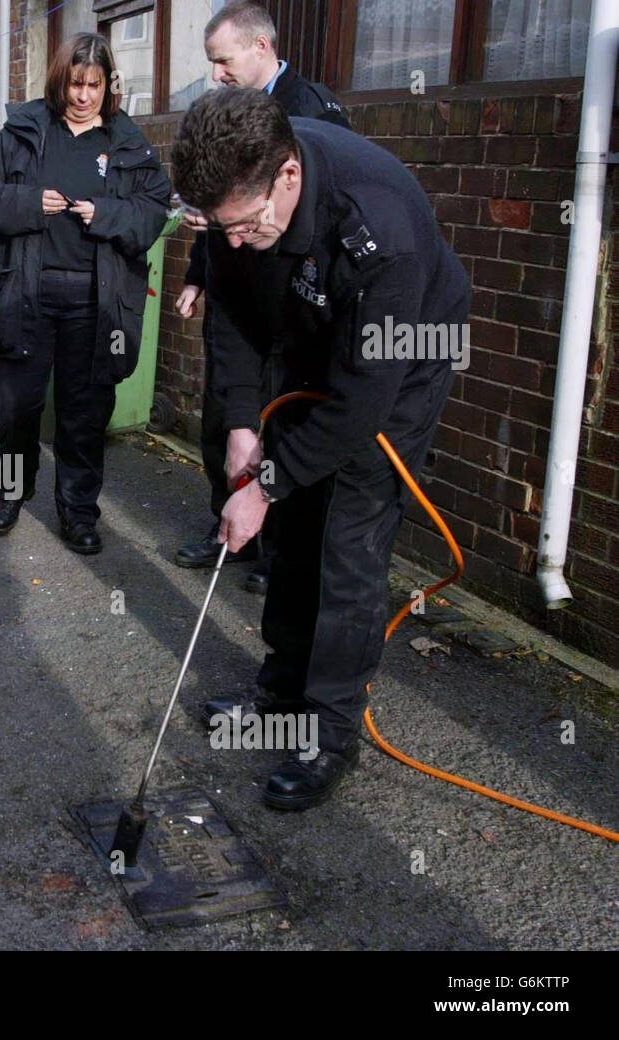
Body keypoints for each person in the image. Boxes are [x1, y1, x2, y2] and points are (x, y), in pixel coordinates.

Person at [170, 88, 470, 809]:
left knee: (349, 544)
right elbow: (233, 314)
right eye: (220, 227)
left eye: (243, 226)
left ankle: (330, 731)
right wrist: (244, 422)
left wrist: (262, 486)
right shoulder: (234, 198)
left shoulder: (379, 229)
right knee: (294, 530)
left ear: (290, 179)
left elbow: (361, 401)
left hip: (396, 364)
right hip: (308, 329)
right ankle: (280, 692)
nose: (231, 239)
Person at [172, 0, 350, 593]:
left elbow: (318, 221)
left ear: (260, 48)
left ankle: (280, 547)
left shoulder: (311, 113)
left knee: (286, 418)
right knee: (230, 415)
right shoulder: (222, 117)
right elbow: (222, 209)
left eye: (223, 61)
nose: (216, 73)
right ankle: (230, 529)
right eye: (211, 64)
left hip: (294, 302)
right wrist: (199, 273)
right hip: (238, 289)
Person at [0, 34, 170, 554]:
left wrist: (105, 215)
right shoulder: (23, 130)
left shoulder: (127, 142)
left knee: (85, 412)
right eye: (75, 84)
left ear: (108, 85)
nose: (84, 96)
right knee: (15, 405)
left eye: (94, 85)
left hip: (95, 302)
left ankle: (79, 512)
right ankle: (13, 493)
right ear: (60, 80)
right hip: (28, 292)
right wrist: (33, 202)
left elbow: (153, 212)